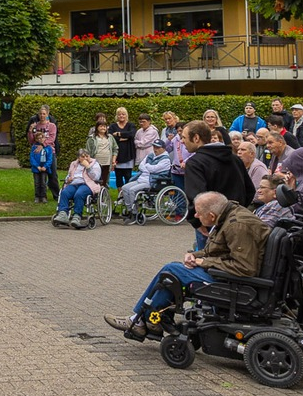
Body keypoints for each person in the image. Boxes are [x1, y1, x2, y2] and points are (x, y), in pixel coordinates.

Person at [104, 192, 270, 339]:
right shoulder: (229, 215)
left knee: (171, 270)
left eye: (199, 213)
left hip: (237, 283)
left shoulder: (237, 226)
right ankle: (149, 319)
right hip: (228, 275)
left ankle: (140, 319)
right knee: (174, 272)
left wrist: (203, 262)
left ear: (211, 216)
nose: (196, 216)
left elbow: (245, 267)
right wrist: (195, 255)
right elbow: (221, 250)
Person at [181, 121, 254, 250]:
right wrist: (238, 210)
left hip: (209, 224)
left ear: (196, 138)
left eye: (184, 138)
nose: (182, 141)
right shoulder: (235, 159)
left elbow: (197, 197)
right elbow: (249, 190)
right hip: (236, 220)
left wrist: (196, 222)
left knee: (207, 262)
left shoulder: (195, 163)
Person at [120, 139, 169, 223]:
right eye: (154, 147)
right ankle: (130, 210)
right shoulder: (150, 155)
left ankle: (134, 213)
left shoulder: (166, 160)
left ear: (163, 148)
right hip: (141, 179)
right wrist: (148, 168)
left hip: (151, 182)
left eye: (157, 147)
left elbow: (154, 169)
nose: (155, 149)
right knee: (124, 188)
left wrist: (147, 167)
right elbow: (141, 166)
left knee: (132, 190)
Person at [51, 149, 101, 229]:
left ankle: (77, 216)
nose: (85, 158)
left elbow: (95, 177)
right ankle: (63, 214)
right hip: (74, 183)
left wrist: (88, 167)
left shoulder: (94, 164)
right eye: (82, 156)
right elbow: (69, 175)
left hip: (87, 184)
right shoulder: (74, 164)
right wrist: (68, 179)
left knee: (79, 194)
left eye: (87, 156)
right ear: (78, 158)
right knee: (64, 192)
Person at [108, 107, 137, 190]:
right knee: (118, 176)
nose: (121, 116)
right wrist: (124, 137)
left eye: (123, 114)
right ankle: (120, 195)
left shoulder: (131, 125)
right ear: (117, 116)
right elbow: (110, 137)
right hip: (117, 155)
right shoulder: (113, 126)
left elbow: (131, 134)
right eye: (119, 114)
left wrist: (118, 134)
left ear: (126, 115)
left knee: (128, 176)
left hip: (128, 154)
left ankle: (127, 195)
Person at [85, 120, 117, 185]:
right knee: (95, 179)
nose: (103, 128)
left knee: (104, 180)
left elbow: (115, 149)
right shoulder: (91, 138)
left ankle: (103, 193)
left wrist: (113, 161)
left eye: (104, 126)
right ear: (97, 127)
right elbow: (87, 151)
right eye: (101, 126)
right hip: (95, 163)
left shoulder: (110, 137)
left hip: (107, 162)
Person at [29, 131, 56, 204]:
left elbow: (50, 159)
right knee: (37, 183)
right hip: (36, 168)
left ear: (44, 138)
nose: (40, 139)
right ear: (36, 139)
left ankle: (44, 196)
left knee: (43, 183)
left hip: (44, 168)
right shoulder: (34, 147)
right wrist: (37, 166)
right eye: (38, 138)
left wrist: (45, 166)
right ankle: (37, 196)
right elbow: (32, 158)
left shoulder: (48, 148)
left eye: (42, 138)